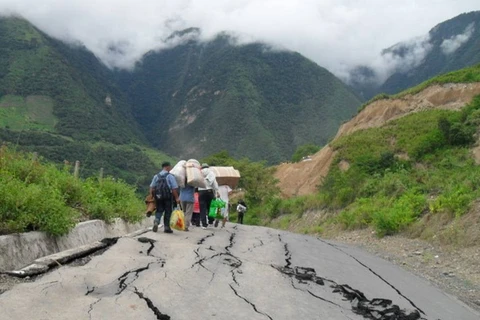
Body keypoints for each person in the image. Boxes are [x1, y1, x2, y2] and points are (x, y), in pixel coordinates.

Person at [149, 162, 180, 233]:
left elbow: (152, 187)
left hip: (158, 196)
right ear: (168, 167)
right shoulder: (170, 176)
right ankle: (167, 227)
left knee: (159, 210)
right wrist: (177, 198)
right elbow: (174, 188)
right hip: (168, 197)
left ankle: (157, 220)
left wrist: (152, 196)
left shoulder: (156, 176)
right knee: (168, 211)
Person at [198, 163, 218, 230]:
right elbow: (215, 185)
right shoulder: (211, 173)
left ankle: (204, 224)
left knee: (202, 208)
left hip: (201, 192)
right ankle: (211, 222)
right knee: (211, 207)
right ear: (208, 167)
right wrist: (215, 193)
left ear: (202, 167)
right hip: (210, 192)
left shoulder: (199, 172)